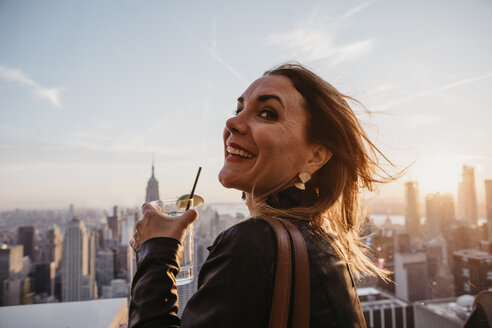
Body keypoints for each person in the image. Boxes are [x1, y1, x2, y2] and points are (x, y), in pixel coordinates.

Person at [129, 63, 392, 328]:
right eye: (239, 109)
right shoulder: (322, 240)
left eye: (267, 113)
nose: (232, 122)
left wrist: (156, 251)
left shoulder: (253, 245)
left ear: (315, 156)